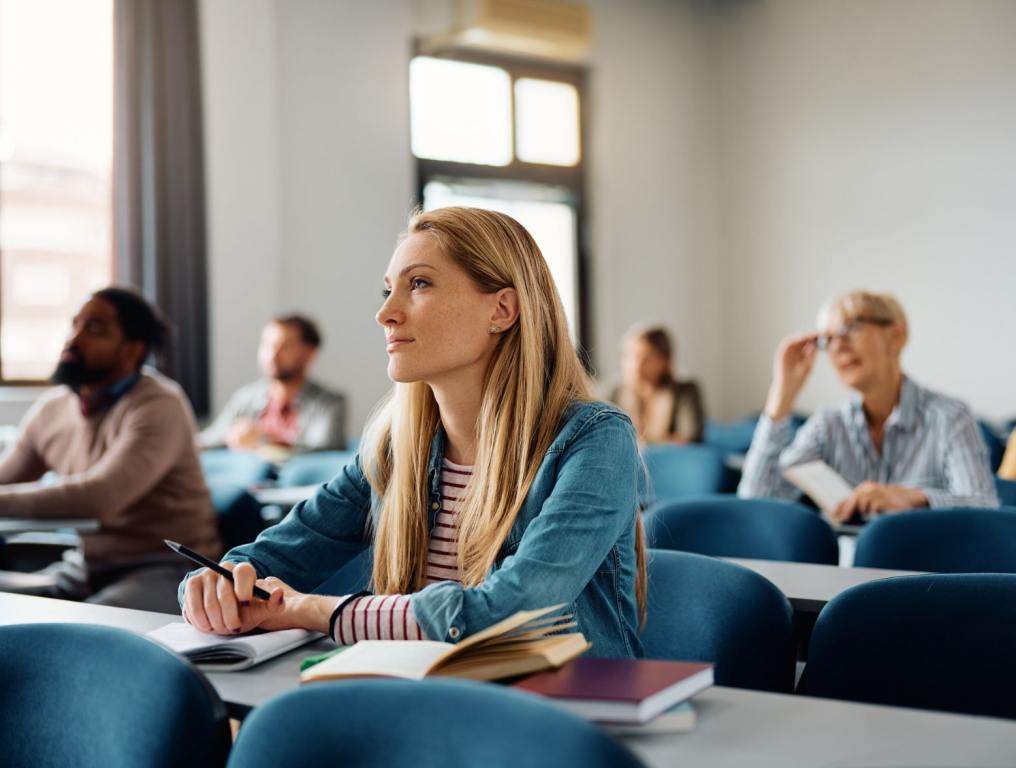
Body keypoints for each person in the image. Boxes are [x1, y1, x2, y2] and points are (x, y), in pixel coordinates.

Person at [181, 207, 646, 658]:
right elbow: (269, 557)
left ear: (502, 310)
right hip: (418, 700)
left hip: (561, 713)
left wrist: (317, 611)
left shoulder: (596, 440)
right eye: (387, 290)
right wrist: (215, 586)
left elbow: (513, 610)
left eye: (418, 284)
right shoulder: (393, 450)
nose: (385, 313)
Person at [0, 287, 221, 613]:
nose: (74, 339)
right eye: (75, 325)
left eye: (94, 329)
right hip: (85, 568)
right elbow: (7, 478)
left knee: (83, 635)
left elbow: (100, 497)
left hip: (163, 569)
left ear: (133, 349)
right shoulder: (53, 409)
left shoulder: (159, 404)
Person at [738, 290, 998, 522]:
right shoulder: (828, 424)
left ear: (896, 336)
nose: (838, 346)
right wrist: (782, 395)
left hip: (927, 571)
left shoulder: (949, 417)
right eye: (827, 340)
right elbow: (755, 502)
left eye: (850, 328)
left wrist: (915, 498)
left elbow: (985, 508)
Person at [199, 314, 346, 455]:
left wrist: (266, 440)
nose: (272, 354)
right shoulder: (245, 398)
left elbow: (325, 452)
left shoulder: (330, 403)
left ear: (310, 353)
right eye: (267, 345)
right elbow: (209, 439)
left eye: (285, 346)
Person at [611, 324, 705, 444]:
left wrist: (643, 443)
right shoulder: (613, 392)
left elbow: (690, 438)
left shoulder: (685, 391)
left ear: (665, 361)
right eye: (629, 356)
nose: (636, 366)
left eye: (646, 358)